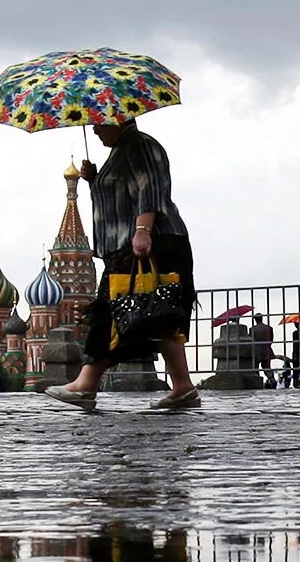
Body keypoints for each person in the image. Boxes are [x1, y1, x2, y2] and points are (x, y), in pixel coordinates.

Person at [45, 119, 198, 410]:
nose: (95, 129)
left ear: (118, 119)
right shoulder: (121, 151)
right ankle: (183, 386)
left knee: (109, 313)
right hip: (133, 246)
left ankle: (86, 383)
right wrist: (94, 179)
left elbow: (149, 190)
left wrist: (143, 230)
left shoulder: (139, 145)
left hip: (147, 245)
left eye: (100, 123)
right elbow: (121, 196)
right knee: (159, 314)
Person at [251, 313, 275, 386]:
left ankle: (257, 382)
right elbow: (271, 339)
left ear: (255, 320)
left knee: (255, 368)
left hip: (256, 351)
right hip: (267, 350)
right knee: (267, 367)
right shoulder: (269, 328)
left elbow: (251, 341)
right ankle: (272, 380)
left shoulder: (252, 329)